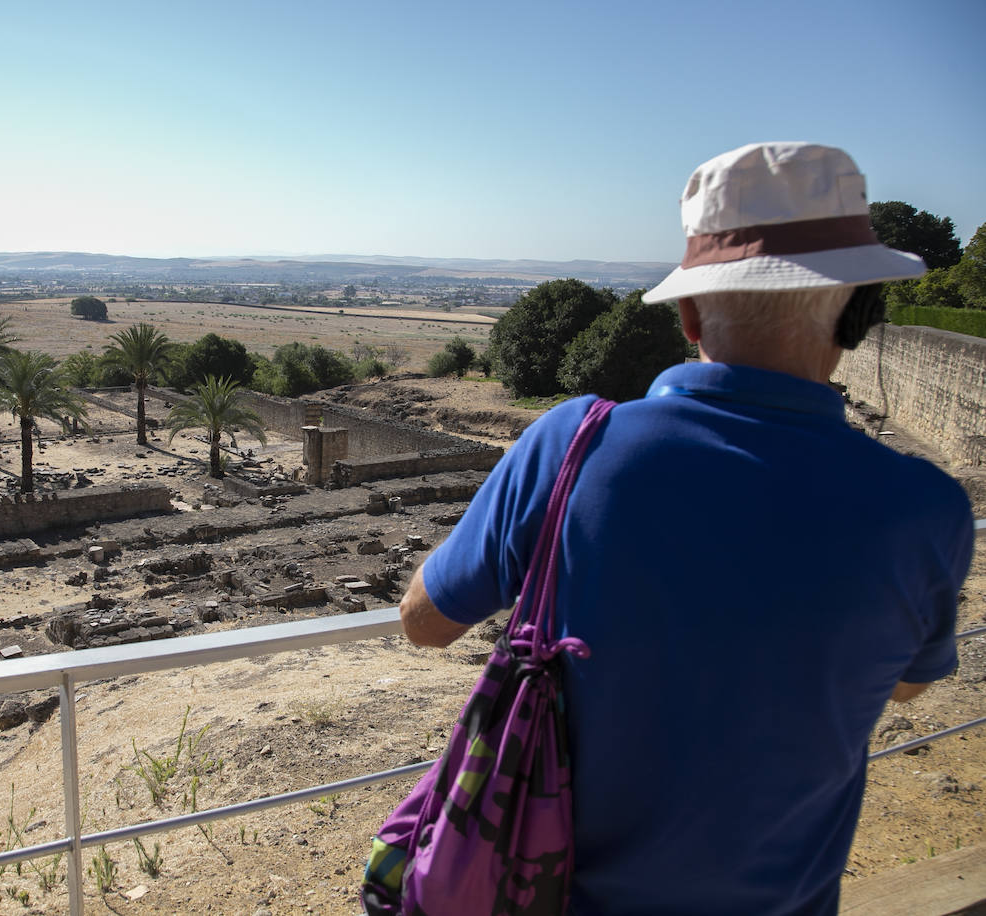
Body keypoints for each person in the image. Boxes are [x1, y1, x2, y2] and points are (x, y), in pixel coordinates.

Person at [398, 142, 975, 915]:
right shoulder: (928, 508)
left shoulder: (573, 445)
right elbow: (905, 682)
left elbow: (425, 623)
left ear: (689, 312)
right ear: (858, 313)